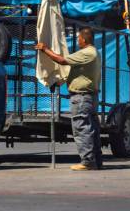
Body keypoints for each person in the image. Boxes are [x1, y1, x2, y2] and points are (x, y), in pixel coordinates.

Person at [36, 27, 103, 171]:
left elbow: (61, 60)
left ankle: (87, 162)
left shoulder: (87, 53)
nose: (77, 41)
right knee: (92, 129)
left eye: (78, 38)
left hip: (82, 97)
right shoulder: (95, 53)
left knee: (82, 129)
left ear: (84, 40)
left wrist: (45, 49)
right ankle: (96, 160)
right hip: (89, 97)